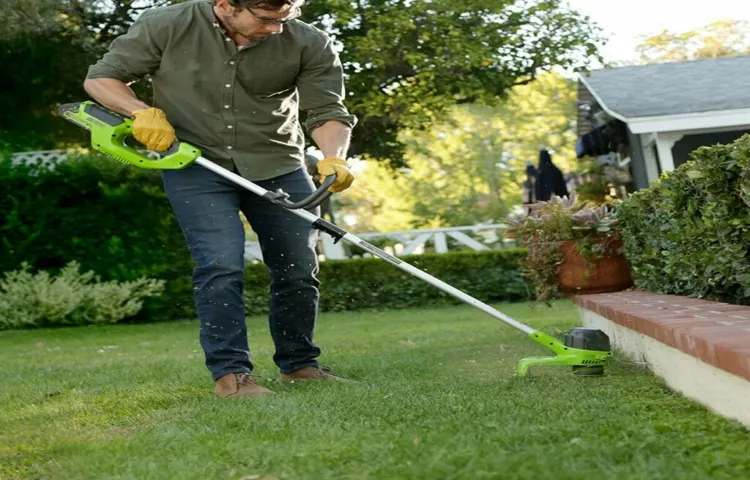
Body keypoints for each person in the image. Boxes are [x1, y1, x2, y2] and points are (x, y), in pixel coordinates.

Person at [83, 0, 358, 398]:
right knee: (220, 265)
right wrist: (140, 111)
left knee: (298, 267)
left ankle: (299, 365)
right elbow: (101, 79)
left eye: (286, 18)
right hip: (196, 166)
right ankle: (231, 377)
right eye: (267, 19)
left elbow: (328, 109)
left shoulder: (308, 42)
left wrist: (334, 156)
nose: (278, 29)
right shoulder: (167, 23)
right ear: (226, 5)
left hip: (278, 162)